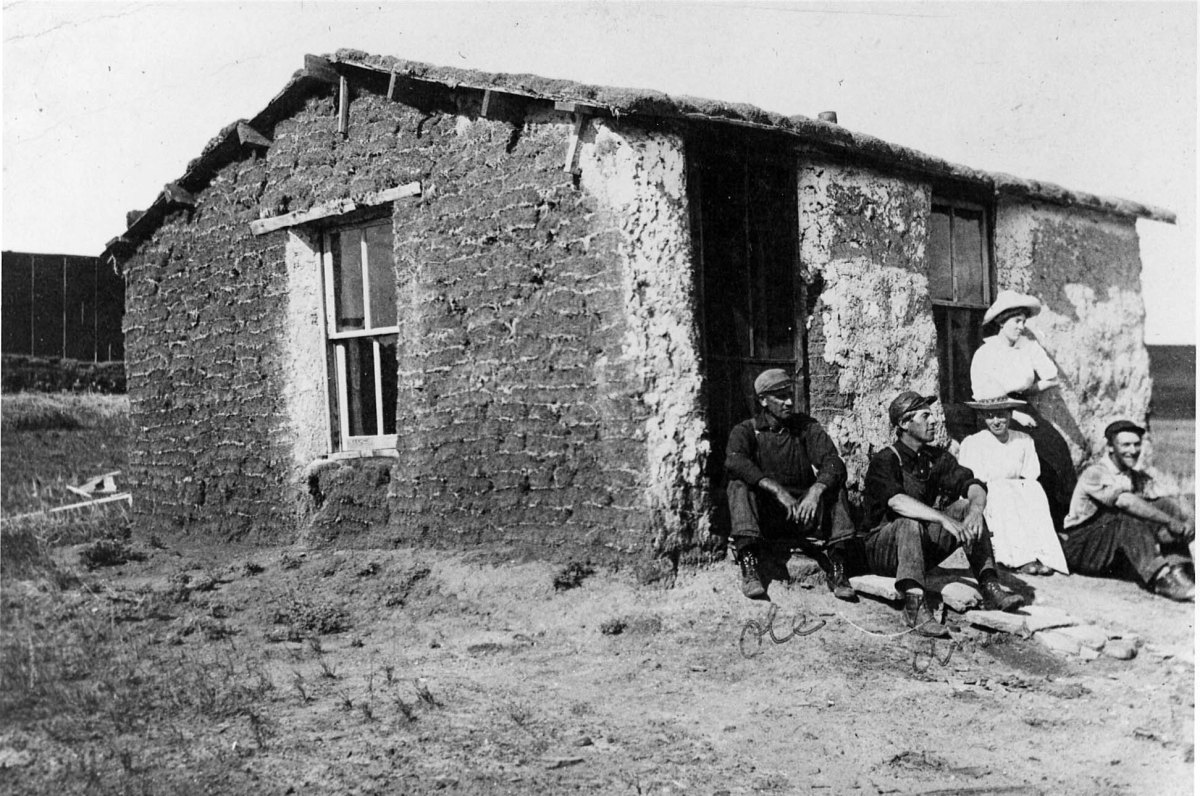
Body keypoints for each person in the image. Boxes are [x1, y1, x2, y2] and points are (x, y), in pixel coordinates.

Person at [862, 391, 1024, 637]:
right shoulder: (885, 460)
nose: (934, 421)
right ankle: (914, 606)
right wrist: (942, 519)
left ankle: (990, 585)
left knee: (965, 508)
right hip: (883, 551)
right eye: (925, 416)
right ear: (905, 424)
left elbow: (973, 484)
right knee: (909, 523)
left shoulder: (935, 457)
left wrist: (975, 510)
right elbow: (897, 502)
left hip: (920, 548)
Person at [725, 368, 855, 601]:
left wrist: (816, 490)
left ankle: (838, 567)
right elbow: (735, 461)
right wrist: (775, 489)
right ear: (763, 400)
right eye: (780, 397)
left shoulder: (805, 427)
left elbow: (833, 461)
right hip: (767, 519)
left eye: (790, 394)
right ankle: (750, 564)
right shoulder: (746, 430)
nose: (789, 402)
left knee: (834, 485)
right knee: (738, 485)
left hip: (803, 514)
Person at [969, 290, 1076, 530]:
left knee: (1056, 448)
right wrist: (1012, 412)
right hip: (994, 413)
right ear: (1001, 321)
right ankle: (1032, 524)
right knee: (1029, 453)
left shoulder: (1023, 350)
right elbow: (982, 394)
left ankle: (1062, 521)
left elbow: (1050, 378)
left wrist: (1032, 353)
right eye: (1017, 321)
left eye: (1023, 321)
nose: (1021, 326)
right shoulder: (986, 353)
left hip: (1023, 408)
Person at [1061, 420, 1195, 601]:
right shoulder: (1095, 473)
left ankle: (1180, 569)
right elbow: (1126, 503)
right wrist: (1169, 522)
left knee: (1165, 504)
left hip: (1112, 552)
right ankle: (1162, 579)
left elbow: (1173, 498)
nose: (1132, 450)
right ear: (1110, 447)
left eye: (1137, 444)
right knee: (1129, 513)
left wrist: (1188, 521)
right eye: (1125, 445)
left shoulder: (1136, 476)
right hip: (1082, 548)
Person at [956, 396, 1069, 576]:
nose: (996, 421)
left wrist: (1019, 489)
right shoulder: (974, 442)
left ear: (1010, 415)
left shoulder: (1023, 440)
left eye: (1001, 415)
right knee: (1004, 494)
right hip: (987, 492)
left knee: (1034, 491)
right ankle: (1019, 557)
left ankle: (1042, 555)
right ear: (983, 417)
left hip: (1016, 490)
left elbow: (1031, 473)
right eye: (990, 416)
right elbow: (971, 480)